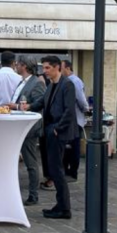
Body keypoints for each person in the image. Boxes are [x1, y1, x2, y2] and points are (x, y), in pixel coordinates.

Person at [40, 55, 77, 220]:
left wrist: (58, 128)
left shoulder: (67, 84)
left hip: (57, 132)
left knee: (57, 170)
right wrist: (22, 107)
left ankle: (64, 208)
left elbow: (69, 110)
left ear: (57, 67)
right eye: (44, 67)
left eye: (47, 67)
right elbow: (42, 102)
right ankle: (61, 206)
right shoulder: (51, 85)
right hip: (49, 130)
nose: (44, 71)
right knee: (53, 169)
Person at [10, 55, 45, 207]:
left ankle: (33, 194)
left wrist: (16, 106)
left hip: (29, 128)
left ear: (24, 66)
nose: (16, 66)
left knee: (30, 162)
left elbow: (39, 104)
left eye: (18, 64)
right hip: (18, 126)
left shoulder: (36, 83)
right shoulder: (22, 82)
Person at [61, 59, 89, 182]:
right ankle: (67, 171)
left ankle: (72, 173)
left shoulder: (74, 81)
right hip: (71, 120)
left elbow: (81, 99)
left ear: (68, 68)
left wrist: (86, 109)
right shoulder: (66, 81)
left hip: (75, 120)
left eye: (61, 68)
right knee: (68, 148)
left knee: (73, 148)